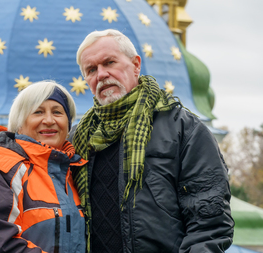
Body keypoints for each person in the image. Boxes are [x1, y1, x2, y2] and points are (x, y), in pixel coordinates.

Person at [70, 29, 234, 253]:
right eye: (91, 69)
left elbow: (209, 223)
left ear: (136, 64)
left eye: (109, 62)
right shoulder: (77, 139)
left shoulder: (183, 129)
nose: (101, 74)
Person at [0, 81, 87, 253]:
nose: (49, 120)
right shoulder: (5, 172)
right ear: (19, 125)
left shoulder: (75, 174)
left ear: (68, 124)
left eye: (57, 112)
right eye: (38, 112)